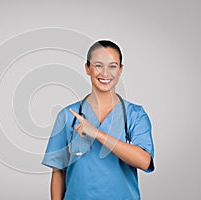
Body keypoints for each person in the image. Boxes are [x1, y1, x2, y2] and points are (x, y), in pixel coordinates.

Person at [41, 40, 155, 200]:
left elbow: (144, 161)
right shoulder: (68, 116)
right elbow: (58, 172)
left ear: (121, 69)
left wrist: (97, 133)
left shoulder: (135, 115)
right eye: (98, 65)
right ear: (87, 68)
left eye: (113, 66)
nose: (105, 73)